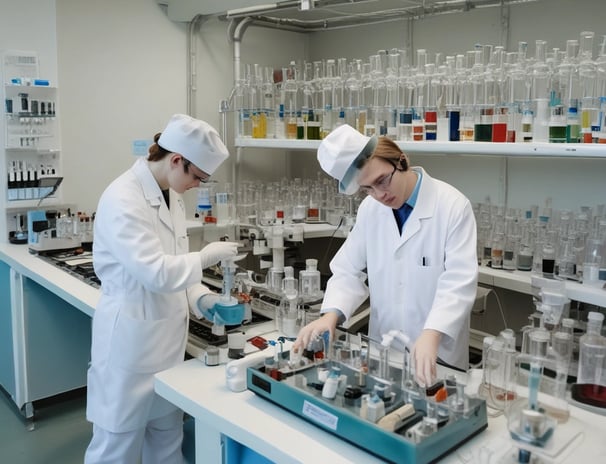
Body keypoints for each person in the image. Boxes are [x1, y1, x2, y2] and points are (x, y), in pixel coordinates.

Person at [85, 114, 240, 464]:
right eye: (197, 177)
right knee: (117, 447)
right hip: (130, 346)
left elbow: (174, 265)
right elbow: (155, 272)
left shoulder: (171, 194)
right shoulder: (123, 198)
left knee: (166, 441)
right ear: (175, 160)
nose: (198, 185)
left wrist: (201, 297)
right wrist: (205, 257)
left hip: (167, 348)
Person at [293, 124, 478, 387]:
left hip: (437, 356)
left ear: (400, 160)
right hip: (384, 353)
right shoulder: (371, 209)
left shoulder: (452, 206)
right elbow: (348, 270)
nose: (380, 195)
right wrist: (330, 316)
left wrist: (432, 333)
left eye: (382, 181)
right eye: (367, 188)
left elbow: (459, 284)